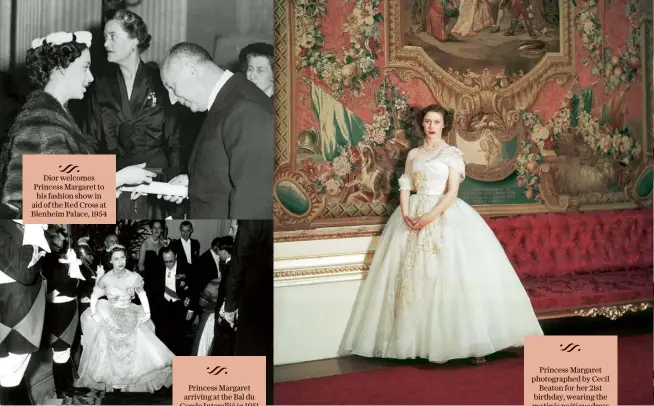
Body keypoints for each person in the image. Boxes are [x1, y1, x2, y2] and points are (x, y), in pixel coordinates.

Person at [341, 104, 543, 365]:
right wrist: (405, 214)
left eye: (436, 121)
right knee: (413, 277)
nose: (431, 126)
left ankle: (471, 343)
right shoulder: (413, 153)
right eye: (427, 121)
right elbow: (406, 185)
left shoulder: (451, 154)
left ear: (444, 124)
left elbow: (451, 193)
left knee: (450, 274)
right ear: (422, 124)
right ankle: (414, 342)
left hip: (443, 214)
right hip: (412, 213)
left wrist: (430, 216)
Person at [0, 30, 159, 219]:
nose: (90, 77)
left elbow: (62, 192)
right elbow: (36, 199)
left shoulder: (54, 117)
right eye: (85, 67)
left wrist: (115, 187)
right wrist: (118, 178)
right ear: (62, 67)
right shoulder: (41, 120)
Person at [79, 10, 182, 218]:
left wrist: (175, 193)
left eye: (113, 37)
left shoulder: (161, 82)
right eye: (105, 37)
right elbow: (88, 142)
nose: (106, 44)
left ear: (134, 40)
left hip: (157, 185)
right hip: (115, 183)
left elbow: (176, 142)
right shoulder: (98, 86)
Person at [158, 42, 273, 219]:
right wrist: (194, 182)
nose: (172, 100)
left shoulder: (245, 108)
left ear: (191, 71)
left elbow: (253, 202)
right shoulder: (227, 100)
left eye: (172, 87)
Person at [75, 245, 172, 392]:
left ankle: (127, 384)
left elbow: (142, 295)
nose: (120, 261)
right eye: (116, 258)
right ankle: (115, 385)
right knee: (112, 351)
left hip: (129, 314)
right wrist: (95, 314)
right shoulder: (106, 278)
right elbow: (94, 296)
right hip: (111, 315)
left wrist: (147, 313)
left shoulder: (134, 277)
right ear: (111, 261)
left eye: (122, 257)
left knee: (133, 349)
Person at [211, 220, 273, 405]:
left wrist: (229, 308)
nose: (232, 232)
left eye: (233, 227)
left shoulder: (250, 222)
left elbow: (238, 268)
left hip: (252, 297)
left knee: (251, 354)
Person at [0, 222, 50, 405]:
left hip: (18, 302)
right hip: (13, 304)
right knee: (9, 372)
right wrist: (33, 230)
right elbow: (24, 272)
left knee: (13, 373)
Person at [40, 227, 88, 399]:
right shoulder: (48, 259)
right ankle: (61, 389)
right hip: (59, 311)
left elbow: (76, 286)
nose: (62, 242)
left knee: (65, 351)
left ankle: (68, 386)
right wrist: (74, 270)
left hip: (68, 309)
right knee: (60, 351)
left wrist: (73, 267)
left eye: (63, 239)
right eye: (58, 239)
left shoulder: (61, 257)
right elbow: (67, 287)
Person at [147, 247, 195, 356]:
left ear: (176, 257)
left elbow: (193, 290)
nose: (169, 264)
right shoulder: (158, 268)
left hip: (180, 305)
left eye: (171, 261)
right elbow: (152, 289)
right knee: (163, 334)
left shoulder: (187, 268)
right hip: (163, 305)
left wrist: (191, 309)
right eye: (166, 261)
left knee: (179, 336)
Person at [191, 236, 232, 356]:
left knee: (204, 344)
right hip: (220, 315)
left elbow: (202, 302)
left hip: (213, 315)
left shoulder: (214, 284)